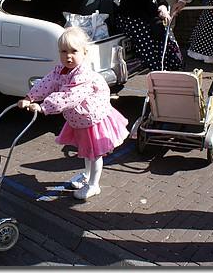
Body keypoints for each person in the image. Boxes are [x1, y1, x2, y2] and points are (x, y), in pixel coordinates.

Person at [18, 27, 129, 200]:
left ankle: (94, 185)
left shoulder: (82, 76)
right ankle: (87, 175)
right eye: (64, 51)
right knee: (86, 152)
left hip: (92, 119)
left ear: (84, 53)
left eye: (74, 51)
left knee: (94, 155)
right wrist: (30, 96)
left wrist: (43, 107)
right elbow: (47, 82)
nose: (68, 56)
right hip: (79, 120)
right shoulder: (61, 70)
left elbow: (67, 97)